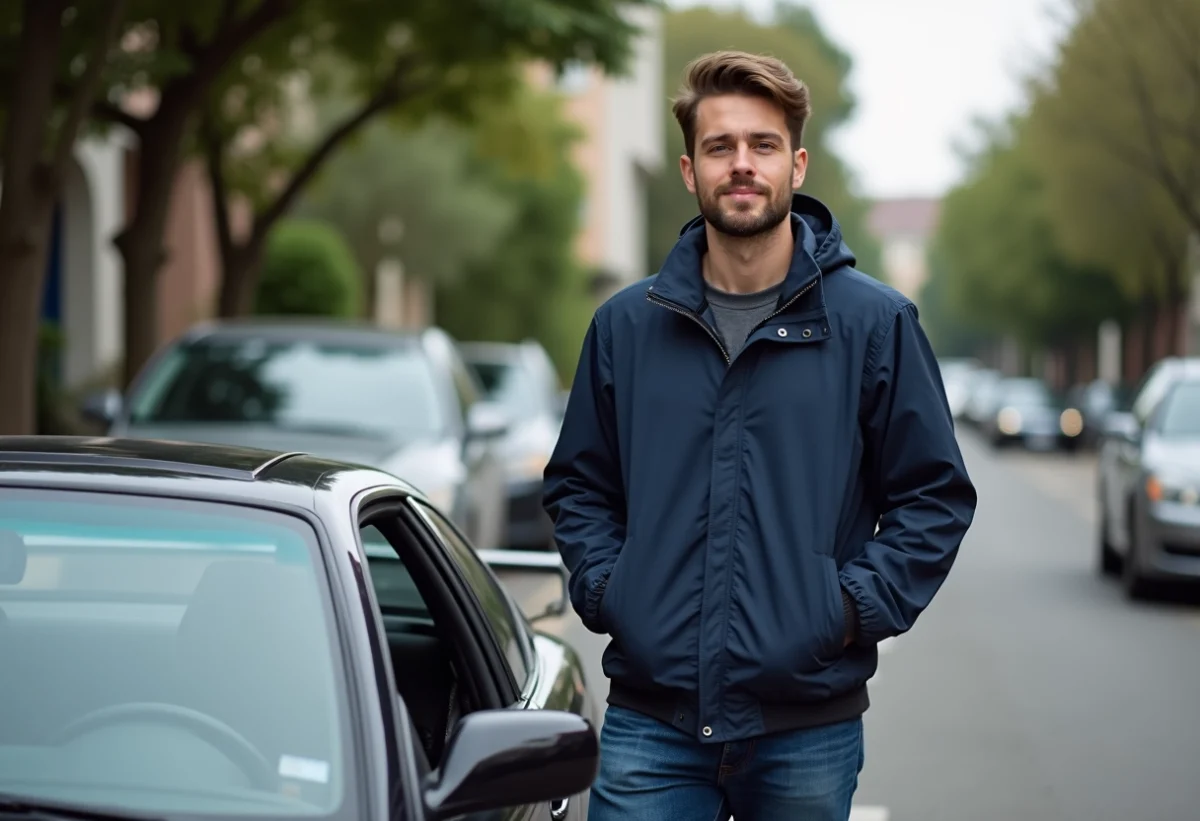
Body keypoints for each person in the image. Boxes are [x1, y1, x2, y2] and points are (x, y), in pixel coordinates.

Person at [543, 50, 977, 821]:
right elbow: (579, 483)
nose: (742, 165)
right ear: (689, 169)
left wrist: (844, 608)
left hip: (806, 728)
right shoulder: (626, 327)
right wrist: (613, 589)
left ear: (797, 163)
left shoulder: (875, 325)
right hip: (653, 722)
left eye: (763, 145)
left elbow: (933, 494)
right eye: (720, 147)